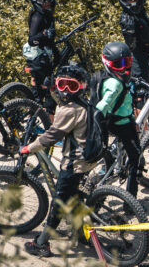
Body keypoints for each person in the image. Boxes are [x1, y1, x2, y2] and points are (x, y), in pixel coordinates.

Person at [22, 65, 95, 258]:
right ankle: (81, 233)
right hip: (90, 159)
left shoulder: (70, 110)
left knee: (59, 203)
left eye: (71, 86)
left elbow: (51, 136)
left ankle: (41, 243)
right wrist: (53, 92)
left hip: (74, 163)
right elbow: (62, 103)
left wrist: (30, 148)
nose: (66, 91)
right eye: (62, 85)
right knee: (74, 197)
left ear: (80, 87)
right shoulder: (84, 103)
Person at [95, 41, 143, 198]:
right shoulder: (116, 85)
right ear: (108, 64)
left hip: (109, 122)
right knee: (136, 158)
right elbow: (101, 107)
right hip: (122, 124)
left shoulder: (103, 78)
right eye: (119, 64)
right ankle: (131, 200)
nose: (124, 68)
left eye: (127, 62)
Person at [117, 0, 149, 82]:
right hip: (137, 55)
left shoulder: (140, 11)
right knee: (141, 82)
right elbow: (133, 44)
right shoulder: (128, 18)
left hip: (143, 52)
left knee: (144, 77)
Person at [24, 0, 58, 112]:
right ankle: (45, 119)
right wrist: (44, 34)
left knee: (40, 87)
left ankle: (36, 113)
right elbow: (31, 40)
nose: (47, 2)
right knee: (48, 88)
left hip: (44, 54)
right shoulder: (37, 16)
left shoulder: (46, 14)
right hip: (38, 57)